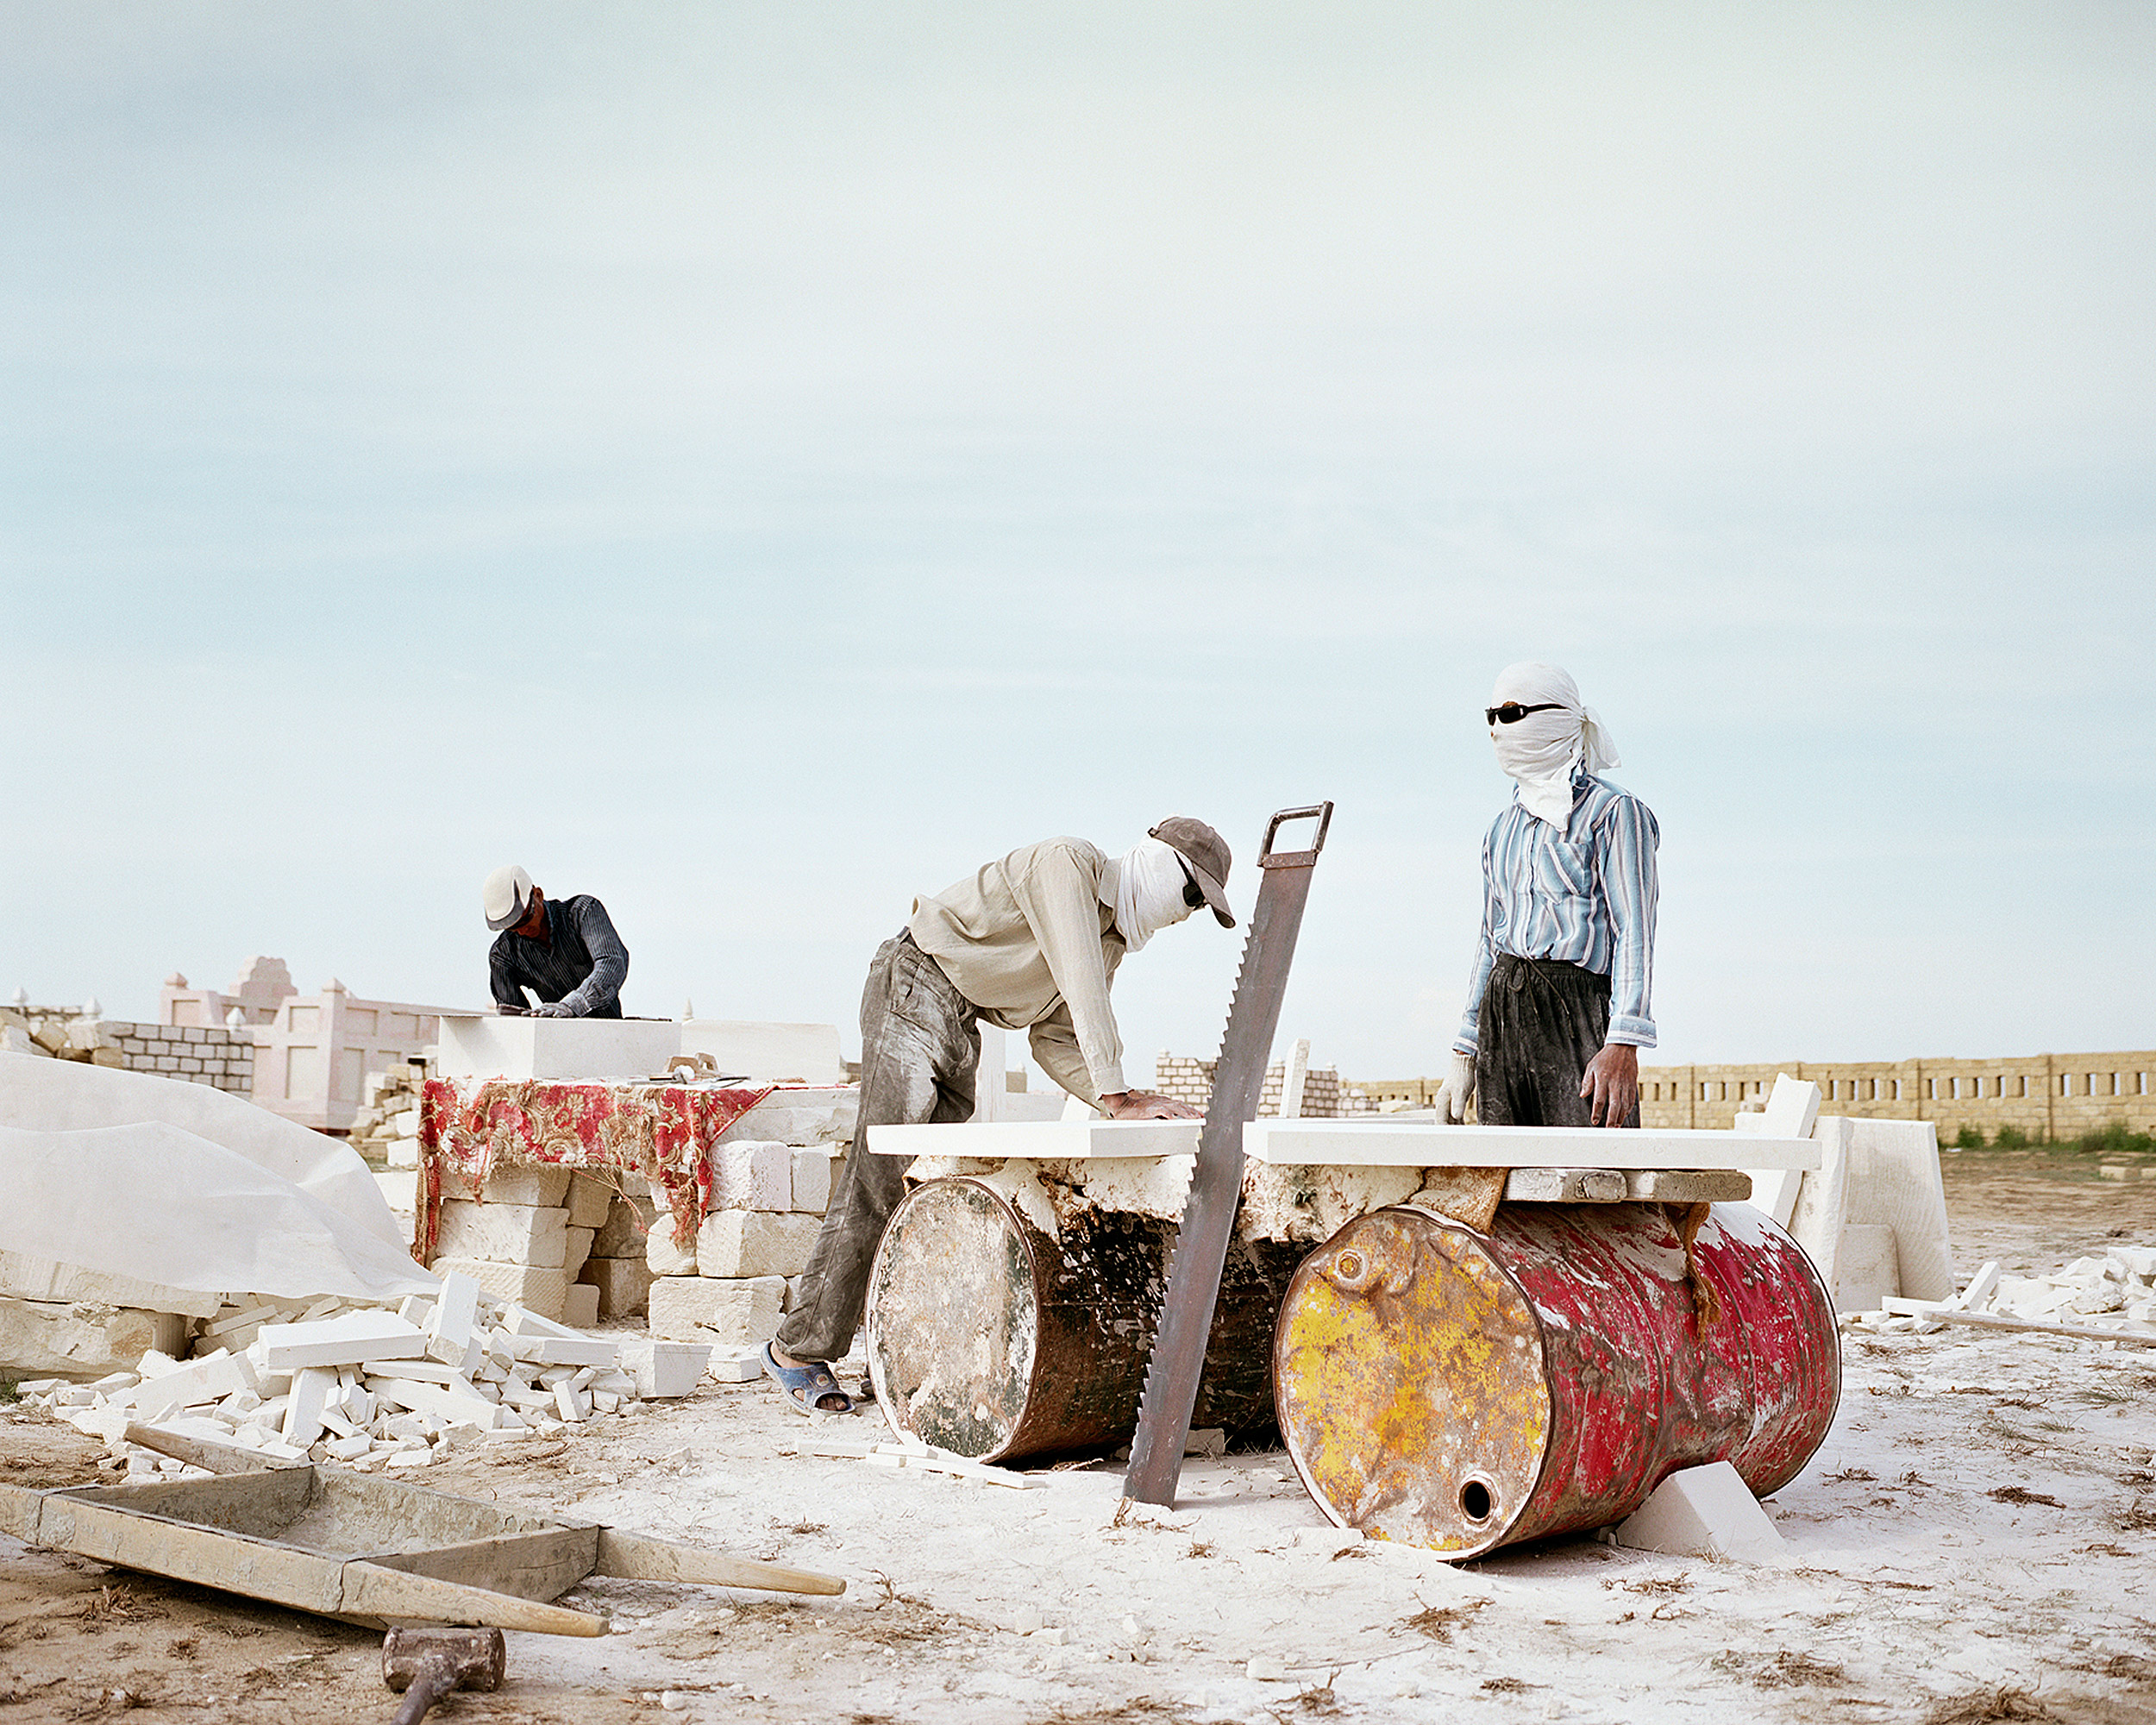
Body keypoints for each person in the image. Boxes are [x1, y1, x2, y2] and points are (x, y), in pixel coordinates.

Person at [763, 818, 1238, 1415]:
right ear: (1160, 862)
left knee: (924, 1192)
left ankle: (887, 1355)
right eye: (1193, 894)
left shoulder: (1107, 945)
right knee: (881, 1176)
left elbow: (1057, 1041)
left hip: (963, 1023)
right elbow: (1080, 978)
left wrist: (1124, 1100)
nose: (1188, 913)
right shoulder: (1070, 865)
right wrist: (1114, 1091)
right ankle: (795, 1350)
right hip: (917, 983)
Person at [1440, 663, 1658, 1131]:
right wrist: (1465, 1050)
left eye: (1513, 713)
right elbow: (1489, 941)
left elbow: (1634, 932)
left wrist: (1623, 1043)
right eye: (1491, 716)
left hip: (1575, 1008)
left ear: (1558, 718)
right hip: (1503, 1013)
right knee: (1505, 1180)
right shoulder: (1502, 829)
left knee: (1591, 1178)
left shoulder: (1614, 814)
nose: (1499, 729)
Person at [481, 865, 630, 1019]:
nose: (522, 931)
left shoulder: (582, 913)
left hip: (610, 1033)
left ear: (538, 895)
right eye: (512, 927)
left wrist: (572, 1005)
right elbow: (515, 1020)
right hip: (556, 1038)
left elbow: (612, 962)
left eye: (525, 920)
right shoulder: (503, 955)